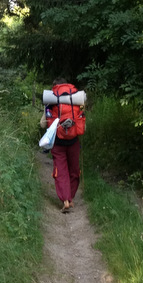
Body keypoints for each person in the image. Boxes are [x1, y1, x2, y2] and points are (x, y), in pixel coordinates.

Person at [40, 77, 82, 213]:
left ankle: (65, 200)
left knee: (61, 171)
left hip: (58, 141)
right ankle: (70, 198)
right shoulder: (75, 98)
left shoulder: (51, 100)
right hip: (74, 140)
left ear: (54, 86)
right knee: (74, 170)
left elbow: (43, 123)